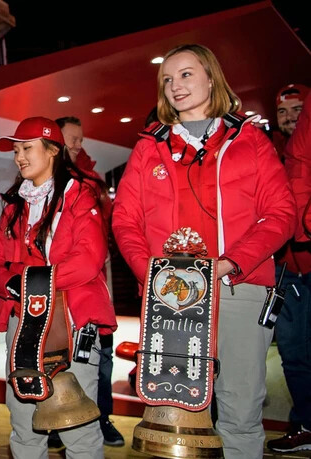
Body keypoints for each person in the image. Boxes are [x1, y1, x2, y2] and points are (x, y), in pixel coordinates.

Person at [112, 44, 295, 459]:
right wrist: (153, 275)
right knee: (173, 419)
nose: (175, 86)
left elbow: (282, 213)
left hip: (237, 287)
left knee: (240, 408)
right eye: (167, 79)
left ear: (211, 77)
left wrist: (230, 263)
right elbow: (125, 221)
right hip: (170, 299)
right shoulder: (148, 148)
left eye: (186, 74)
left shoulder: (250, 141)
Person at [0, 116, 115, 459]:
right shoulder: (14, 204)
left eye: (26, 148)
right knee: (24, 425)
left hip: (71, 321)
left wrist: (26, 279)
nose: (18, 157)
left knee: (79, 426)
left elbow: (89, 259)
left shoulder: (79, 195)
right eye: (15, 150)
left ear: (52, 150)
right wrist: (14, 280)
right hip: (21, 321)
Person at [55, 114, 123, 447]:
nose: (79, 144)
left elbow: (103, 227)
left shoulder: (91, 179)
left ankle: (103, 417)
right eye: (73, 139)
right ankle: (55, 421)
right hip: (54, 289)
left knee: (101, 356)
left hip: (92, 281)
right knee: (56, 356)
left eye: (81, 139)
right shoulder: (43, 180)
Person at [267, 84, 311, 454]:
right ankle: (306, 425)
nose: (291, 117)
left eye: (298, 109)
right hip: (286, 270)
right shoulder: (268, 155)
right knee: (293, 354)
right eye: (283, 112)